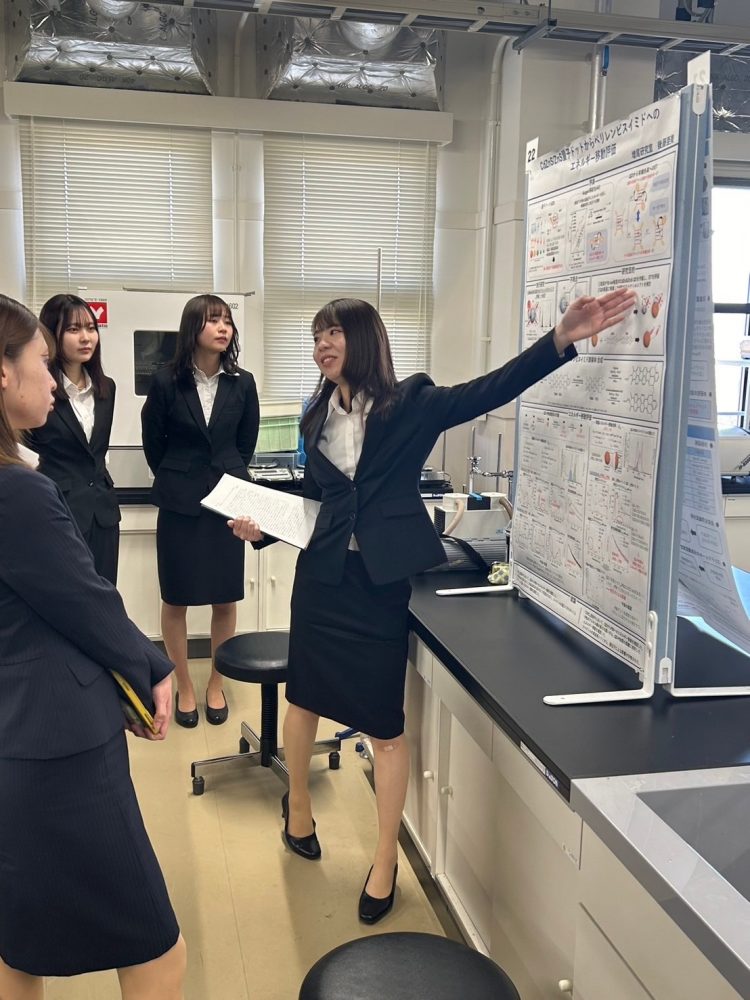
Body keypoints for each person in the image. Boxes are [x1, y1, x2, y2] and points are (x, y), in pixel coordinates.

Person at [230, 288, 635, 924]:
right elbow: (314, 504)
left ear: (364, 340)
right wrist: (263, 531)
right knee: (303, 698)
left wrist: (559, 339)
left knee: (384, 727)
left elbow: (489, 390)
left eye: (333, 333)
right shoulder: (315, 416)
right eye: (316, 337)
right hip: (323, 581)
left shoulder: (412, 402)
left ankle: (384, 859)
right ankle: (299, 807)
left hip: (379, 584)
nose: (322, 346)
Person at [0, 294, 186, 1000]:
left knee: (20, 944)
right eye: (41, 361)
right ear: (3, 374)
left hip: (15, 734)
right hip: (58, 745)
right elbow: (86, 602)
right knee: (158, 949)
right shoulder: (20, 493)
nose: (52, 380)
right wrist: (153, 666)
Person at [141, 294, 260, 728]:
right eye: (214, 320)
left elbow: (245, 443)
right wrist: (180, 477)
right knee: (175, 599)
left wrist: (227, 475)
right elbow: (154, 443)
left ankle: (215, 683)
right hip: (180, 502)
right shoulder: (166, 381)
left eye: (227, 321)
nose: (223, 327)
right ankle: (184, 686)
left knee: (224, 598)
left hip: (228, 503)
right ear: (194, 327)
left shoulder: (243, 382)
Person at [26, 294, 121, 584]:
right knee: (61, 593)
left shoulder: (107, 389)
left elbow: (96, 452)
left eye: (91, 328)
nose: (85, 337)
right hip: (57, 508)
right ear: (51, 334)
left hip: (103, 513)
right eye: (73, 329)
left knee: (105, 593)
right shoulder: (39, 389)